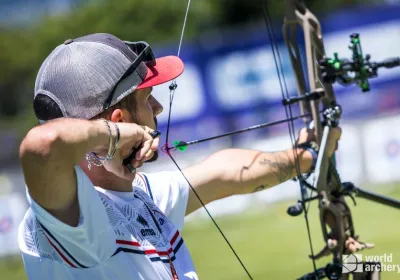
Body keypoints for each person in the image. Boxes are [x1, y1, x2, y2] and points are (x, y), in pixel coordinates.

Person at [18, 33, 341, 280]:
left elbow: (224, 173)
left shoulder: (137, 195)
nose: (158, 107)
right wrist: (117, 136)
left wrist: (308, 155)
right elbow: (43, 147)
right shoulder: (69, 222)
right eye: (146, 98)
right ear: (118, 120)